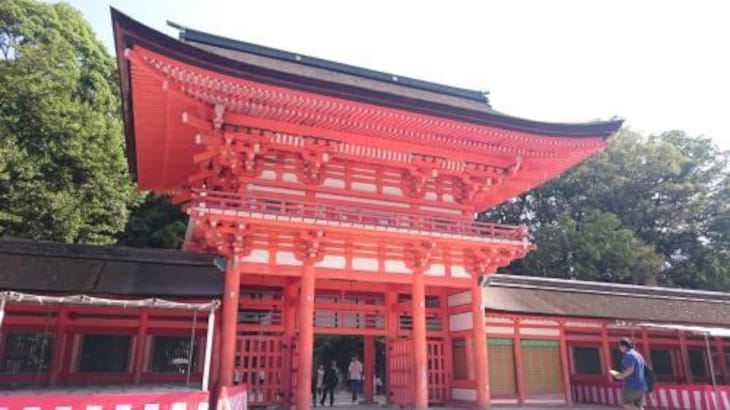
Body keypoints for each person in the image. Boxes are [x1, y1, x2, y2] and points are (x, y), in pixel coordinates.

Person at [613, 337, 648, 410]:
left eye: (619, 346)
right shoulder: (638, 355)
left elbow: (630, 369)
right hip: (642, 385)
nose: (619, 349)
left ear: (623, 346)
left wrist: (620, 376)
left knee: (626, 404)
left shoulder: (628, 355)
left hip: (631, 385)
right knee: (638, 405)